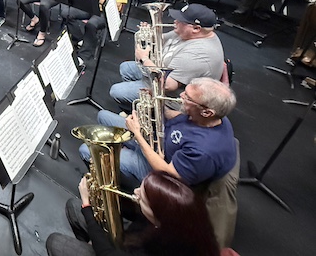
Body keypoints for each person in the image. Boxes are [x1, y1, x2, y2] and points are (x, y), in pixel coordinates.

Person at [82, 77, 237, 194]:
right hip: (155, 142)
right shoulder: (211, 118)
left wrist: (137, 134)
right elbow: (180, 118)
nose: (181, 96)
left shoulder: (204, 151)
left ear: (207, 112)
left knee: (86, 149)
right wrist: (155, 105)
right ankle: (119, 148)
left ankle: (114, 182)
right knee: (103, 116)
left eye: (188, 98)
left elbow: (168, 173)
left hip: (155, 168)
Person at [46, 172, 220, 256]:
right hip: (128, 244)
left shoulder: (162, 249)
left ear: (158, 217)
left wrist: (87, 205)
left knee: (55, 242)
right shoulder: (177, 217)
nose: (135, 191)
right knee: (73, 207)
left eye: (142, 196)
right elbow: (136, 212)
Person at [109, 4, 224, 113]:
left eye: (180, 21)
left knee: (117, 91)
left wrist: (144, 59)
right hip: (161, 69)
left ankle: (148, 110)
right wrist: (149, 34)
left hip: (170, 94)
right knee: (126, 68)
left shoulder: (198, 55)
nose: (175, 21)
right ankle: (138, 103)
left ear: (196, 28)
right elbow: (161, 40)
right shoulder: (188, 33)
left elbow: (168, 85)